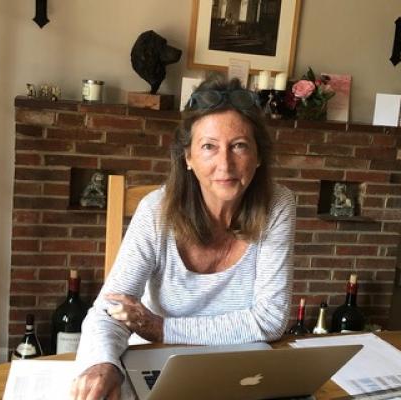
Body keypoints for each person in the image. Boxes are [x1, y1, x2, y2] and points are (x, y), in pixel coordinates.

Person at [70, 77, 296, 400]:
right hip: (159, 364)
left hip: (239, 372)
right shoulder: (155, 212)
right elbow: (109, 310)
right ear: (187, 157)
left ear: (258, 156)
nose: (225, 164)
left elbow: (271, 320)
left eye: (239, 145)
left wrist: (161, 327)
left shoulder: (278, 206)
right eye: (209, 146)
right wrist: (102, 363)